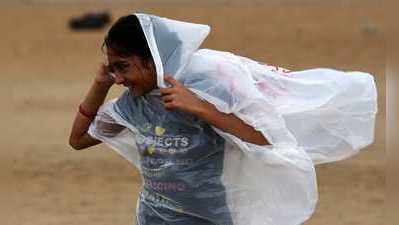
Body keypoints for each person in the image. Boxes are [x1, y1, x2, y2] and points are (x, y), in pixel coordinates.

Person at [69, 13, 377, 225]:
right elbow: (79, 140)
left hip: (211, 218)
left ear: (152, 62)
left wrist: (205, 111)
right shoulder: (133, 104)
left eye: (123, 67)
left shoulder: (208, 89)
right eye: (112, 69)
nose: (118, 77)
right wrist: (100, 84)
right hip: (153, 218)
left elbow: (265, 139)